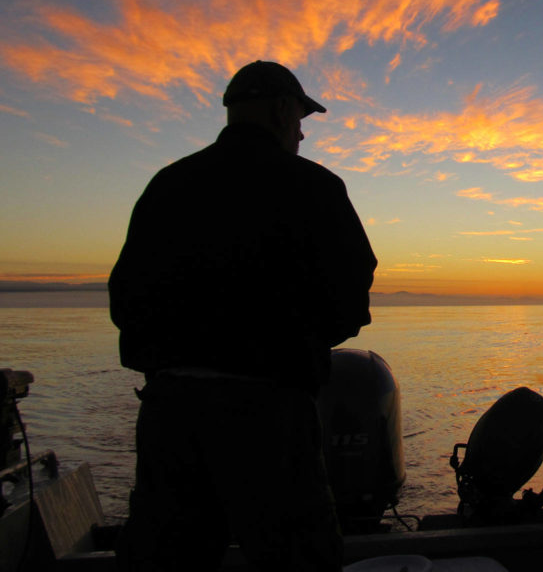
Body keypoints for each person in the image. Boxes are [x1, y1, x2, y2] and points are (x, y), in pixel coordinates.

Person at [109, 60, 377, 571]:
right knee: (297, 560)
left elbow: (125, 296)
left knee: (165, 561)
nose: (301, 132)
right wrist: (301, 342)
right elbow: (349, 295)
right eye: (301, 118)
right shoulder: (313, 187)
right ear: (280, 109)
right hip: (269, 414)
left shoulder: (167, 185)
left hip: (172, 413)